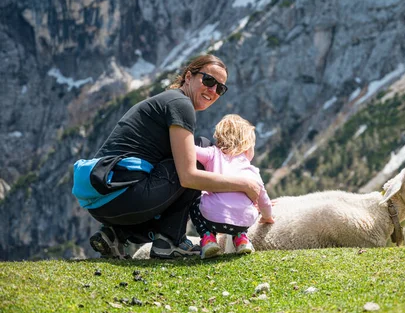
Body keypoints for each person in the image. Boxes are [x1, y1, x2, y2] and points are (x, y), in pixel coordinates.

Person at [72, 54, 262, 259]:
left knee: (189, 155)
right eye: (208, 81)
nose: (213, 90)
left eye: (220, 88)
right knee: (201, 153)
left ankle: (115, 234)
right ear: (189, 76)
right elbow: (189, 177)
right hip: (123, 194)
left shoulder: (168, 101)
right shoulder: (181, 104)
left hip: (102, 200)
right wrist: (244, 185)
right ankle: (170, 241)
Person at [189, 114, 274, 259]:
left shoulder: (212, 154)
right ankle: (242, 240)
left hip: (212, 219)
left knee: (194, 200)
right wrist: (267, 217)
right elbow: (263, 199)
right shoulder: (252, 170)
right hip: (243, 222)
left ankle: (208, 239)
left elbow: (190, 149)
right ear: (248, 147)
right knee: (250, 205)